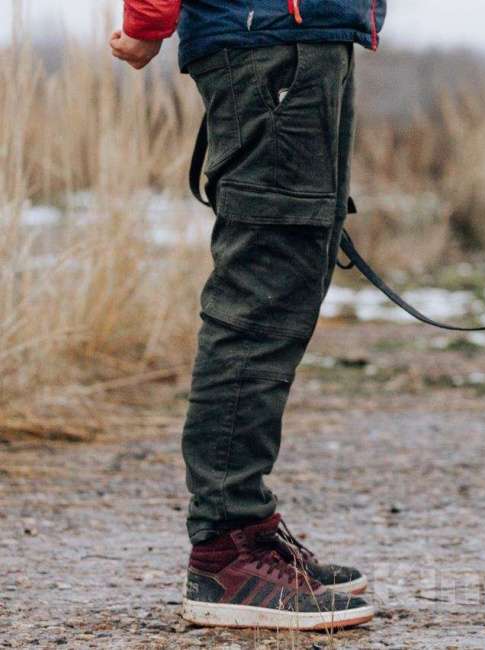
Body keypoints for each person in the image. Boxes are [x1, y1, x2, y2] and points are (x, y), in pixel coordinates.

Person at [110, 0, 386, 631]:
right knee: (260, 292)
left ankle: (250, 529)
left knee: (292, 277)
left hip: (308, 37)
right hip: (267, 43)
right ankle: (224, 550)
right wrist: (147, 21)